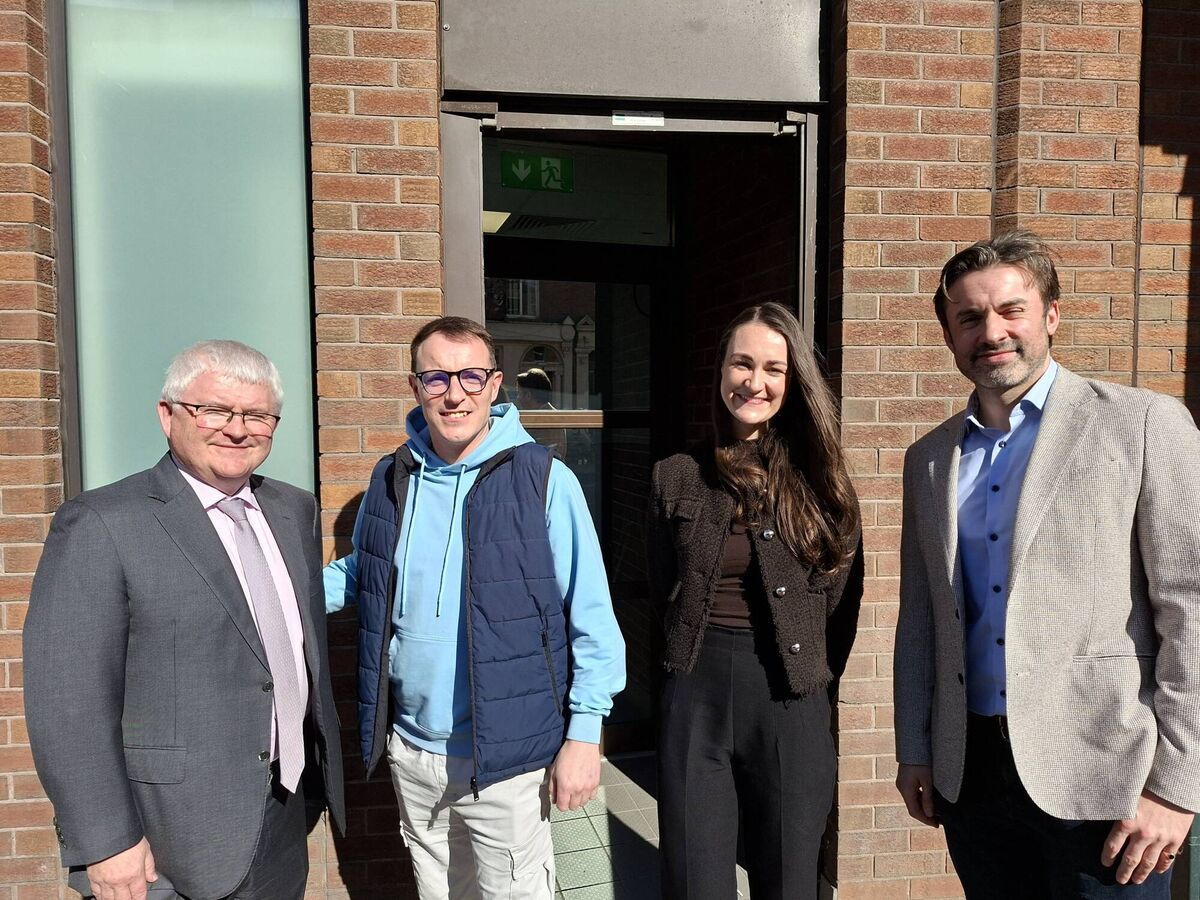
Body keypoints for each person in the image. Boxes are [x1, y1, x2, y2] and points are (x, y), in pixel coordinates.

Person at [894, 230, 1200, 898]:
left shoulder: (1144, 425)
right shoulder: (930, 459)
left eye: (1011, 310)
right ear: (948, 335)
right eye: (969, 318)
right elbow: (919, 616)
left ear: (1051, 315)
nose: (992, 332)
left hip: (1106, 782)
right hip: (971, 777)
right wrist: (915, 746)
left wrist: (1178, 788)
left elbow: (1191, 610)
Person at [24, 340, 345, 900]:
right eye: (216, 410)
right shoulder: (102, 523)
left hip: (284, 812)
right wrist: (104, 842)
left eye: (256, 415)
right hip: (166, 841)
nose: (238, 429)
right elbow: (67, 701)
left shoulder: (293, 510)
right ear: (168, 416)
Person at [324, 316, 625, 900]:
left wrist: (585, 735)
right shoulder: (392, 478)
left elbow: (590, 614)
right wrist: (275, 597)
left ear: (495, 385)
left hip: (506, 760)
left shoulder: (545, 480)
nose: (454, 392)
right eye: (436, 377)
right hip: (412, 752)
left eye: (469, 376)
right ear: (416, 388)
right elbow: (366, 572)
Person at [647, 301, 863, 899]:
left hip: (790, 699)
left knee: (791, 879)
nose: (755, 382)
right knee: (695, 878)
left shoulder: (823, 482)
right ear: (720, 371)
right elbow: (660, 590)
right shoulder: (676, 475)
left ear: (793, 382)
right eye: (742, 364)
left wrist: (809, 675)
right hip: (696, 693)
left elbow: (840, 607)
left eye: (774, 368)